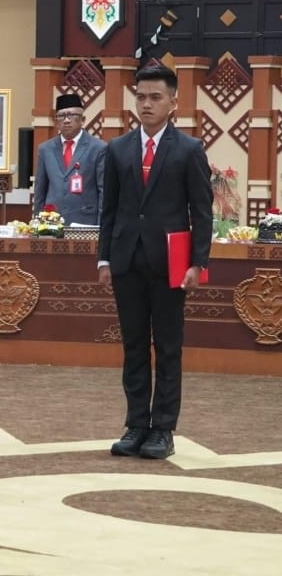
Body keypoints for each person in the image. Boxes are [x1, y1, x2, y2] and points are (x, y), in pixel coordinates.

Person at [98, 63, 213, 460]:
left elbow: (202, 211)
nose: (146, 104)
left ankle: (163, 427)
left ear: (173, 102)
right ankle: (135, 424)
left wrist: (199, 263)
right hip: (127, 259)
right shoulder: (117, 149)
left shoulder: (189, 150)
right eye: (141, 96)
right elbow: (108, 209)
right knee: (132, 347)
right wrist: (103, 258)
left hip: (171, 264)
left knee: (167, 347)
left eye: (155, 97)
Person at [32, 93, 106, 226]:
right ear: (56, 121)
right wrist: (37, 223)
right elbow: (40, 191)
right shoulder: (45, 149)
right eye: (61, 116)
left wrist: (101, 226)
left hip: (85, 222)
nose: (66, 120)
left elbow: (103, 191)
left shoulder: (98, 148)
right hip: (51, 222)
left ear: (83, 119)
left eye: (72, 115)